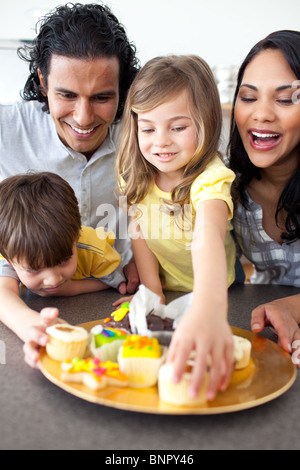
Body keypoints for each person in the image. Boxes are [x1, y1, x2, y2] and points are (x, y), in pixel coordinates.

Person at [116, 55, 237, 400]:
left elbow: (207, 236)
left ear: (206, 121)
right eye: (148, 128)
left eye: (178, 127)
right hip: (169, 288)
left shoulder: (210, 178)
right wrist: (151, 292)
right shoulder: (134, 175)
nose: (161, 142)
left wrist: (208, 307)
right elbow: (139, 233)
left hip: (218, 291)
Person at [0, 3, 140, 294]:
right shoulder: (7, 128)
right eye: (67, 95)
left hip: (120, 294)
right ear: (42, 81)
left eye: (101, 97)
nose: (83, 117)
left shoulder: (147, 133)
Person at [0, 172, 125, 368]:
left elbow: (115, 283)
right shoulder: (14, 248)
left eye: (64, 260)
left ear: (76, 237)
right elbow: (3, 293)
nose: (52, 280)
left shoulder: (97, 251)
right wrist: (29, 324)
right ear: (8, 259)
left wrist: (72, 288)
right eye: (33, 269)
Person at [228, 30, 300, 358]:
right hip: (261, 328)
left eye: (284, 99)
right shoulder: (229, 189)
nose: (262, 113)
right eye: (249, 97)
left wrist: (289, 307)